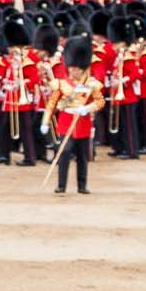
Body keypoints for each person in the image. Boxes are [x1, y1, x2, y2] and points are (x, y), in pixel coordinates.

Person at [46, 33, 102, 195]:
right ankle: (61, 185)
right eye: (71, 68)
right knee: (63, 153)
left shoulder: (91, 84)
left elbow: (99, 102)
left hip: (83, 123)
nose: (73, 71)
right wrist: (46, 120)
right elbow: (53, 102)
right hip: (66, 121)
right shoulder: (63, 83)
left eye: (76, 69)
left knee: (83, 157)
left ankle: (82, 186)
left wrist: (87, 108)